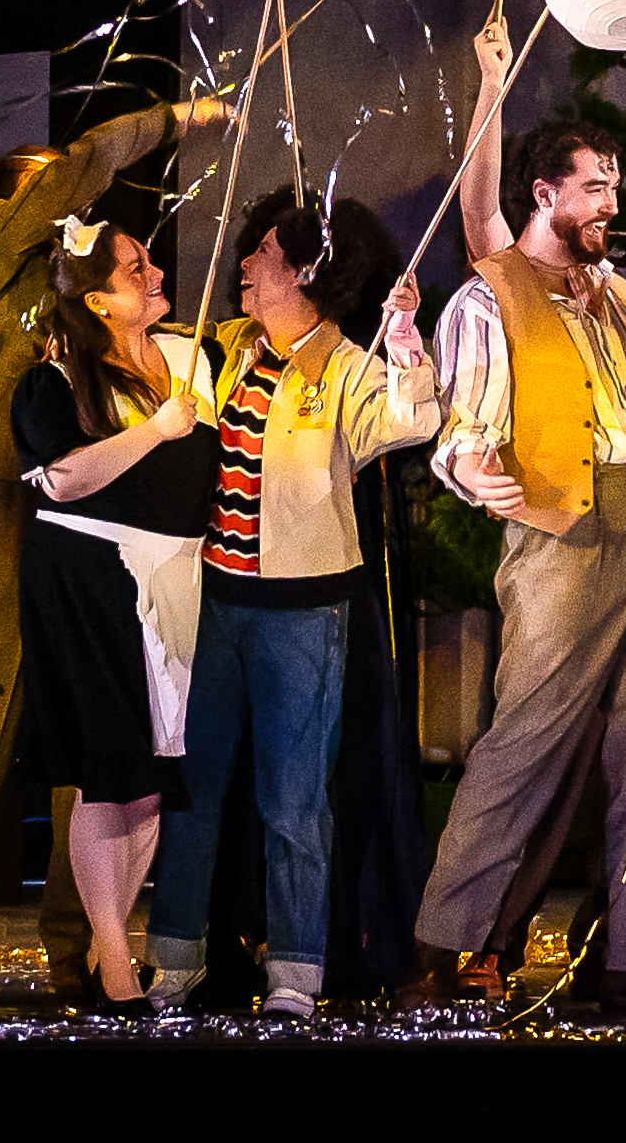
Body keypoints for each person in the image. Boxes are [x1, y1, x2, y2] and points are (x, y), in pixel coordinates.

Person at [406, 115, 626, 1019]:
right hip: (563, 531)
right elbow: (463, 428)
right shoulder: (488, 298)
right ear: (544, 194)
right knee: (523, 743)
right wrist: (471, 472)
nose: (611, 199)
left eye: (614, 182)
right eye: (594, 185)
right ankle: (448, 943)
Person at [0, 93, 224, 998]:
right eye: (59, 197)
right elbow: (86, 165)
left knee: (88, 725)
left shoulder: (89, 306)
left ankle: (77, 941)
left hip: (94, 514)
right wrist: (177, 118)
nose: (72, 212)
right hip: (8, 490)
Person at [143, 188, 442, 1019]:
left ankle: (296, 976)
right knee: (192, 793)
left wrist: (409, 338)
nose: (244, 263)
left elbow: (407, 424)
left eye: (264, 254)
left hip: (303, 614)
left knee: (293, 802)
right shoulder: (229, 349)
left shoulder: (343, 363)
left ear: (306, 272)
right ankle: (174, 963)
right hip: (212, 606)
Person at [13, 218, 219, 1013]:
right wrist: (157, 431)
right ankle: (112, 954)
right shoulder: (59, 379)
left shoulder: (190, 357)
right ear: (98, 301)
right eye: (136, 269)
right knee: (111, 766)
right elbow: (58, 478)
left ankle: (114, 944)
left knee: (149, 777)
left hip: (174, 574)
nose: (156, 272)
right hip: (92, 575)